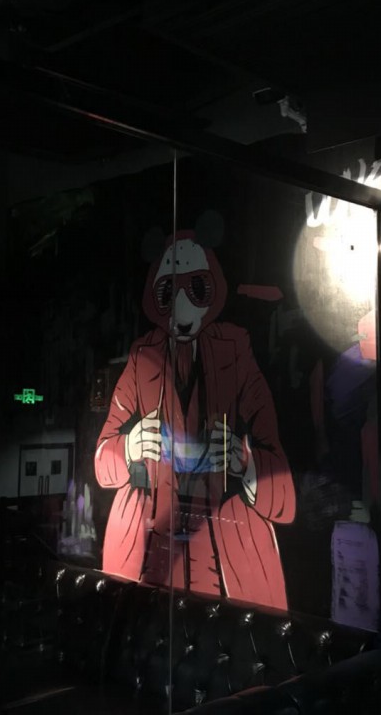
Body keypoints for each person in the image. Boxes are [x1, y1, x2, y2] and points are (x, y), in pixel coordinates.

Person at [94, 229, 295, 610]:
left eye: (197, 289)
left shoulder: (235, 348)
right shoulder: (141, 355)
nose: (182, 307)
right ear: (156, 298)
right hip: (154, 542)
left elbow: (277, 468)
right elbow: (103, 459)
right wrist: (130, 446)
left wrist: (245, 461)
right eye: (169, 292)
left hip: (224, 544)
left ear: (212, 289)